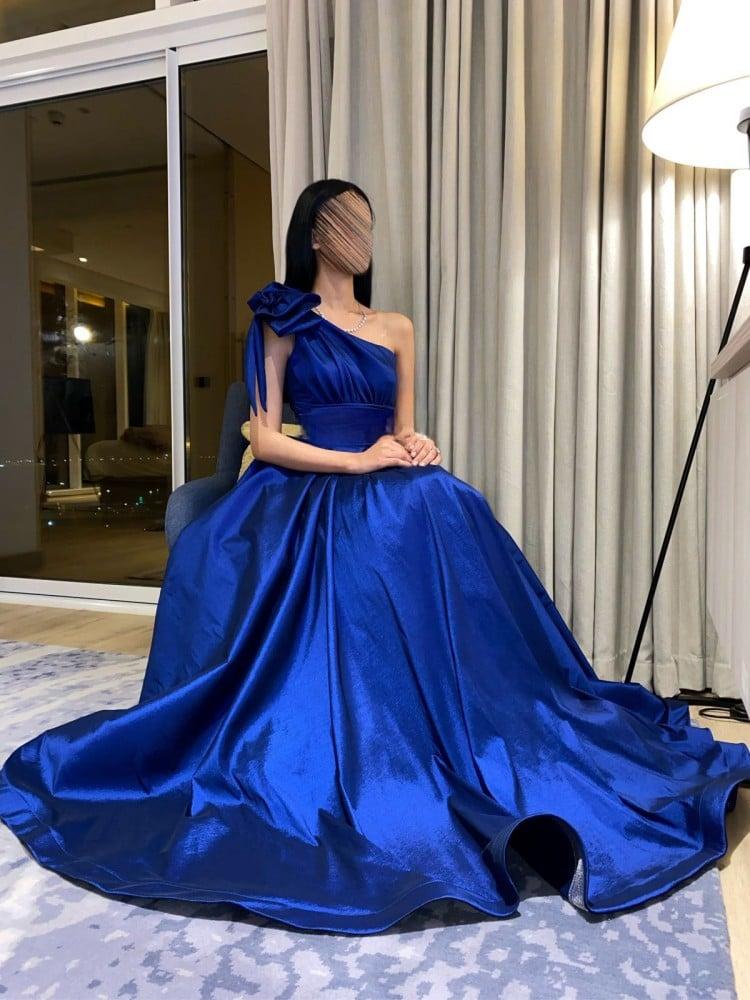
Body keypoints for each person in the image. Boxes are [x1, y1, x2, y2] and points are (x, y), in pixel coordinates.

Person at [1, 178, 749, 938]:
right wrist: (356, 463)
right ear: (315, 235)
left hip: (385, 475)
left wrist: (416, 446)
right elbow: (266, 439)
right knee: (308, 548)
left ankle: (469, 719)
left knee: (448, 504)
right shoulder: (281, 317)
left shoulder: (396, 325)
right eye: (346, 221)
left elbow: (403, 427)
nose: (362, 234)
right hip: (311, 482)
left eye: (367, 221)